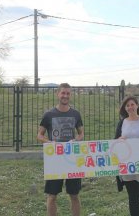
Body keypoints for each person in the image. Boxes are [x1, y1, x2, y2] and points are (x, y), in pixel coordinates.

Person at [37, 83, 84, 216]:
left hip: (72, 159)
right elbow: (39, 135)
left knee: (74, 195)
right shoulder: (48, 114)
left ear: (71, 95)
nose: (65, 96)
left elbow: (81, 134)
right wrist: (50, 142)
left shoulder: (76, 114)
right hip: (55, 159)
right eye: (63, 93)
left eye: (68, 93)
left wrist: (76, 140)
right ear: (57, 94)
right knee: (52, 196)